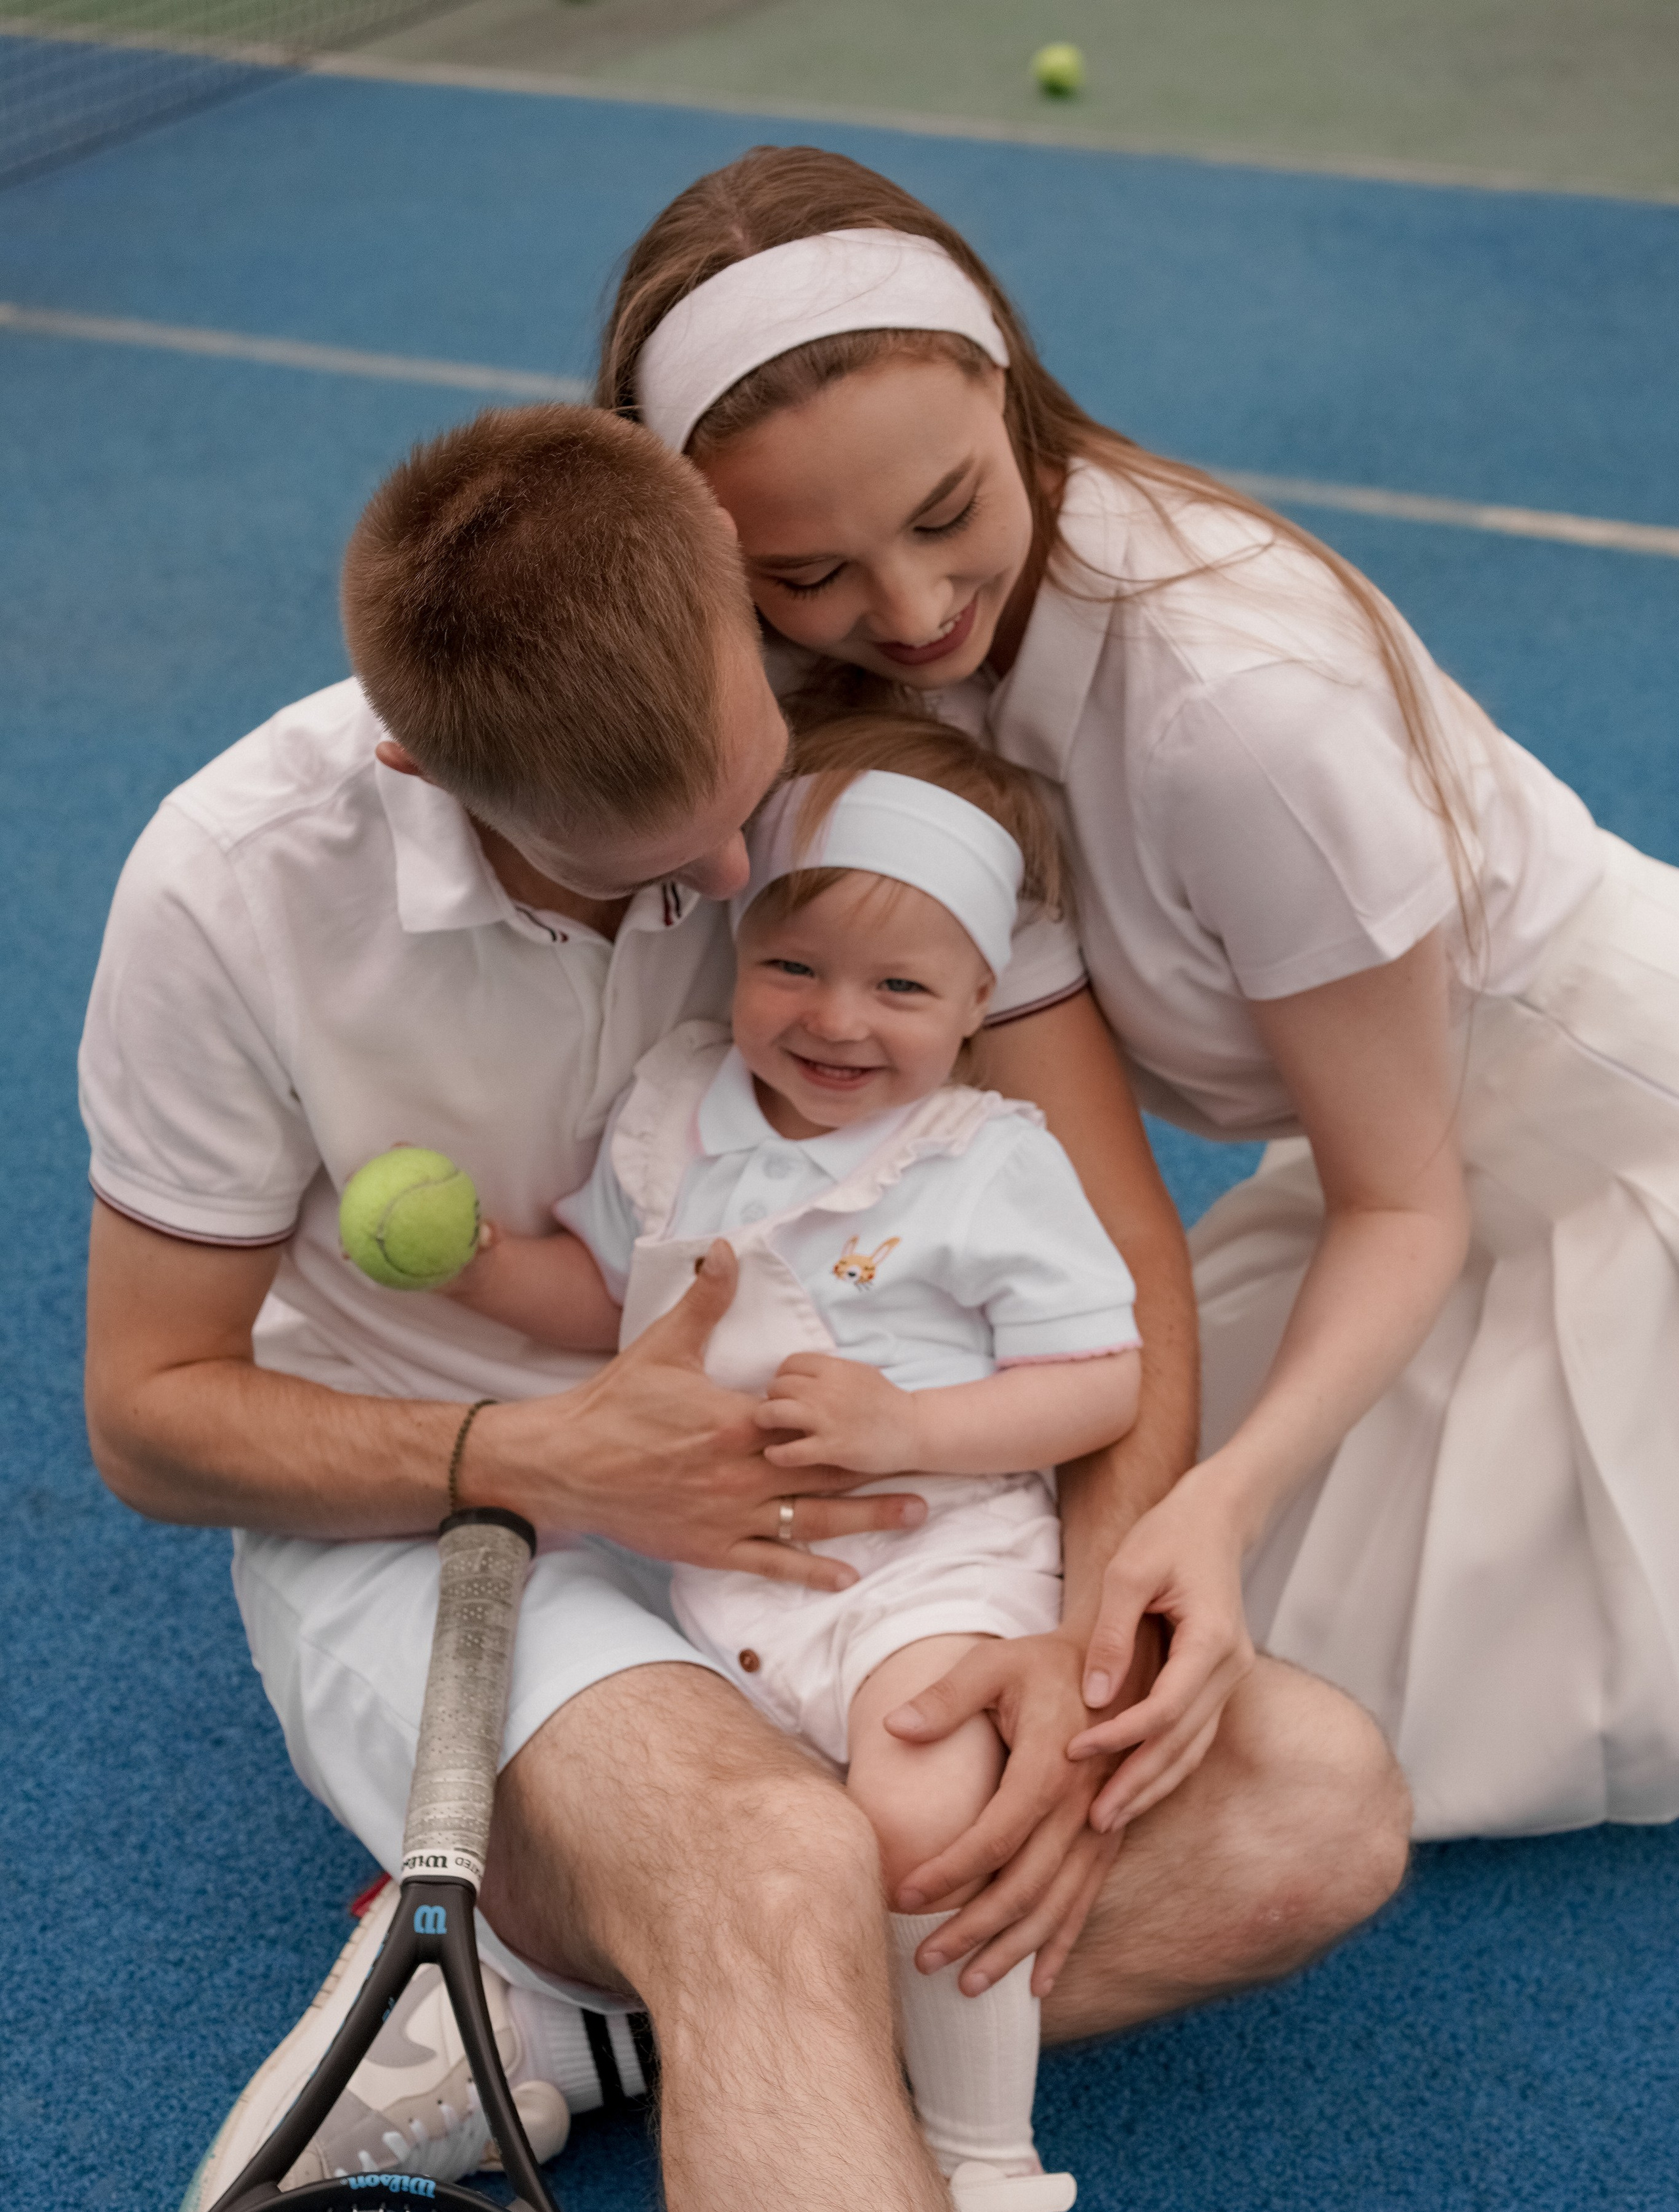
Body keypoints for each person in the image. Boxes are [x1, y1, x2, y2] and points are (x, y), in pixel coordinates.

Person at [80, 396, 1403, 2212]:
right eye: (648, 868)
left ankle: (586, 2013)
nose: (730, 888)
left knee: (1319, 1809)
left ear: (724, 574)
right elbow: (151, 1420)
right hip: (448, 1522)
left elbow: (1108, 1248)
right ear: (425, 771)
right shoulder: (228, 894)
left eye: (745, 807)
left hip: (867, 1538)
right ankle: (748, 2028)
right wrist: (550, 1448)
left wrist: (1066, 1631)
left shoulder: (857, 748)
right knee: (785, 1871)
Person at [598, 146, 1679, 1845]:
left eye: (948, 512)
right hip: (1384, 1185)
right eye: (807, 574)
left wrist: (1224, 1508)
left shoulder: (1239, 717)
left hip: (1596, 1176)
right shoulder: (847, 675)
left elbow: (1405, 1198)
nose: (905, 611)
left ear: (1008, 387)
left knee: (1215, 1694)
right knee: (988, 1577)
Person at [452, 715, 1143, 2212]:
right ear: (735, 950)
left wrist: (912, 1420)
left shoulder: (988, 1158)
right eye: (796, 965)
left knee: (917, 1821)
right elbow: (602, 1297)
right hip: (725, 1591)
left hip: (933, 1559)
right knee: (764, 1899)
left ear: (981, 995)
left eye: (901, 987)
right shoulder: (676, 1102)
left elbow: (1098, 1378)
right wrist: (465, 1257)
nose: (839, 1019)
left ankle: (982, 2174)